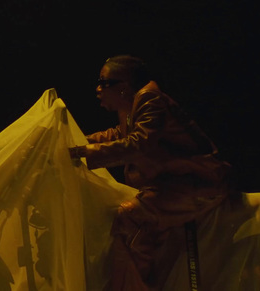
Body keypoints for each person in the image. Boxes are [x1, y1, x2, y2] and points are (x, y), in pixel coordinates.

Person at [69, 55, 233, 290]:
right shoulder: (132, 107)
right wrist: (75, 144)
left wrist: (83, 151)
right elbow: (118, 135)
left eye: (103, 82)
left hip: (195, 183)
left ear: (123, 87)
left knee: (132, 218)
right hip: (170, 183)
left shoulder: (149, 99)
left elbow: (139, 143)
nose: (97, 88)